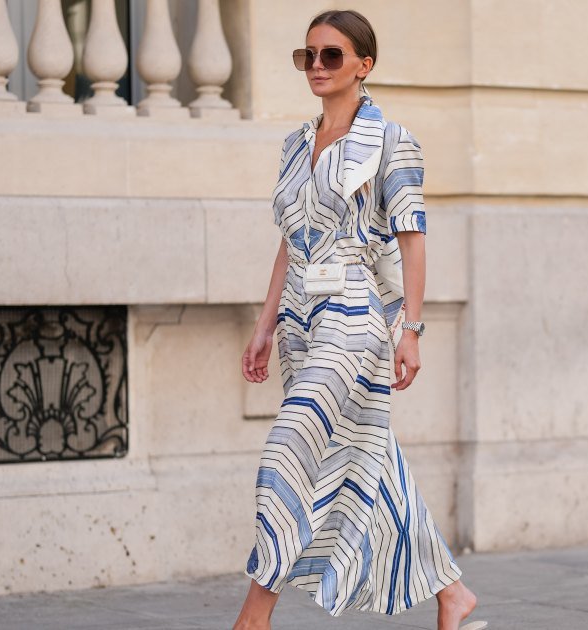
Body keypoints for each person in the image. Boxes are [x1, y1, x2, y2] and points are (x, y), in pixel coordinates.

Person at [235, 9, 487, 630]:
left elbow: (412, 240)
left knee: (287, 453)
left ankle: (253, 617)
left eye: (331, 56)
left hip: (354, 315)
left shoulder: (391, 140)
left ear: (363, 65)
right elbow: (289, 244)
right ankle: (452, 593)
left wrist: (413, 331)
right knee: (368, 456)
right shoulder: (295, 144)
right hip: (300, 322)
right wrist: (266, 325)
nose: (316, 67)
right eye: (308, 56)